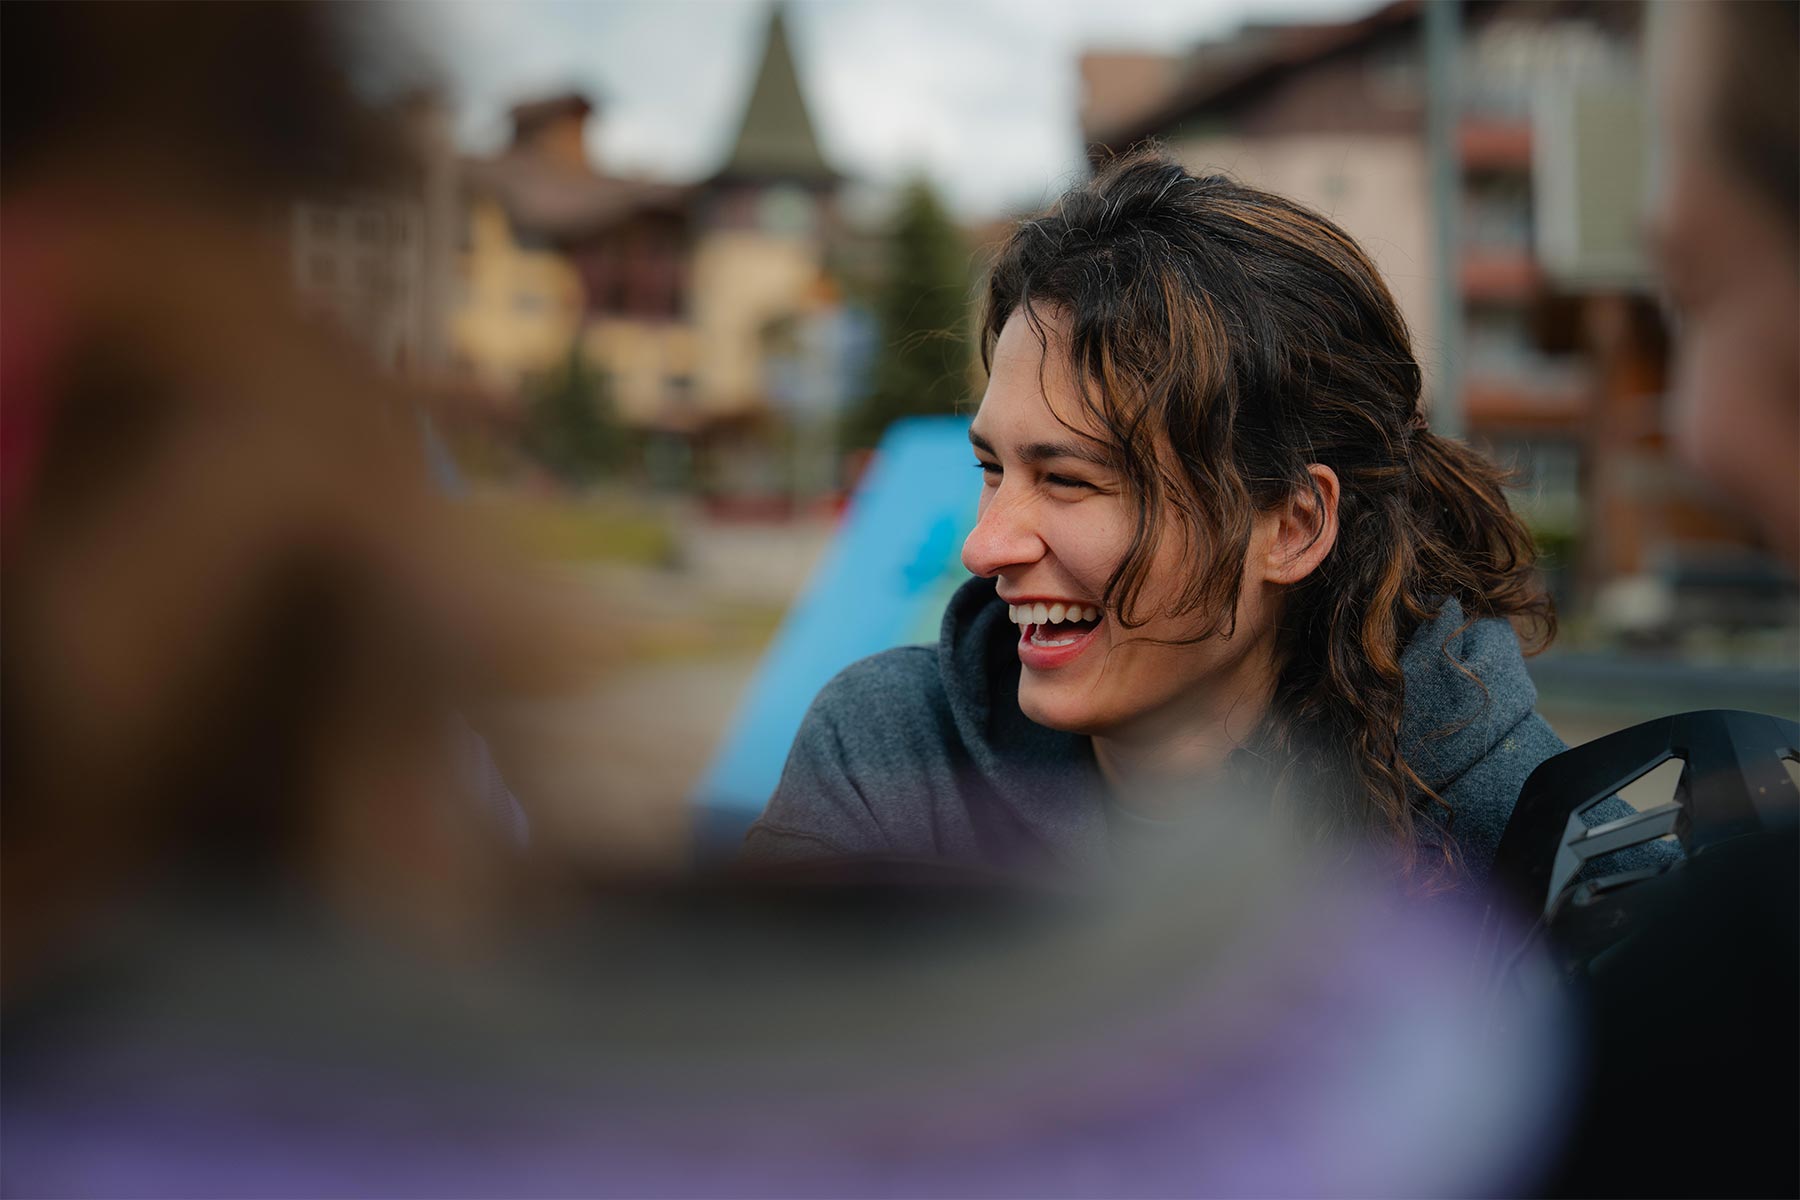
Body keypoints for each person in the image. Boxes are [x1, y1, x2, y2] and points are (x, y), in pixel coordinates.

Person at [747, 153, 1659, 889]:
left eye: (1068, 481)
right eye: (993, 470)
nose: (985, 545)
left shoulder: (1550, 861)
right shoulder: (893, 757)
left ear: (1294, 525)